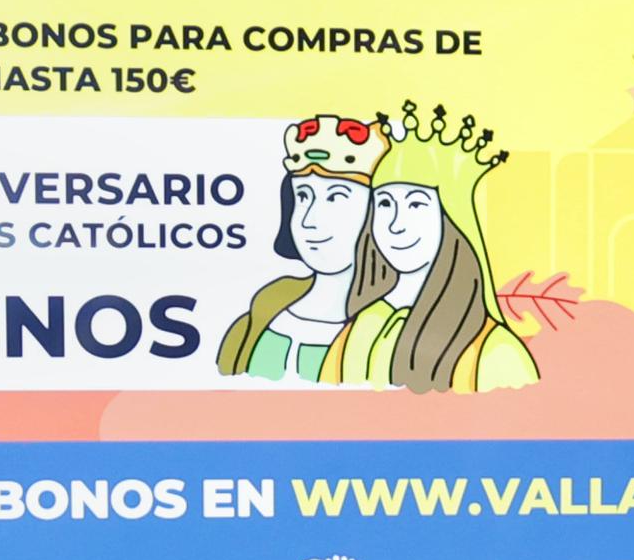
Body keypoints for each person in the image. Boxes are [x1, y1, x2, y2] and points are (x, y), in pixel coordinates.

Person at [323, 106, 535, 390]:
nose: (396, 224)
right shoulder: (360, 326)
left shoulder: (495, 351)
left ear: (452, 218)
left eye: (416, 204)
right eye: (384, 203)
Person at [217, 113, 383, 381]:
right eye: (303, 196)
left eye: (336, 198)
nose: (309, 220)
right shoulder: (268, 303)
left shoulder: (386, 325)